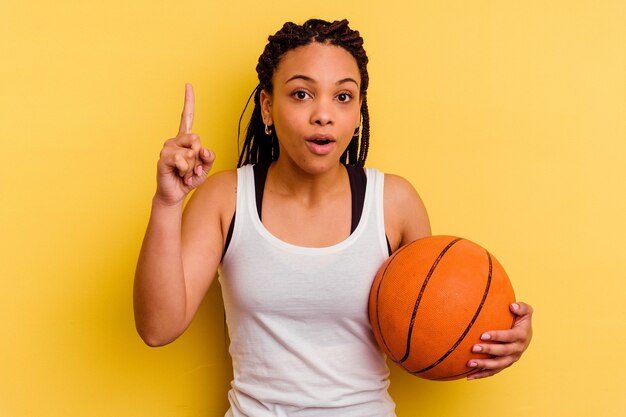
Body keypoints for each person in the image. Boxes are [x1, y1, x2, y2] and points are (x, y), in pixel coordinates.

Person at [134, 19, 533, 417]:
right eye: (302, 93)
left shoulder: (393, 202)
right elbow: (157, 329)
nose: (324, 114)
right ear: (268, 107)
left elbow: (432, 328)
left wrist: (498, 337)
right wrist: (167, 203)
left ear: (359, 111)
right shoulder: (227, 197)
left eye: (343, 97)